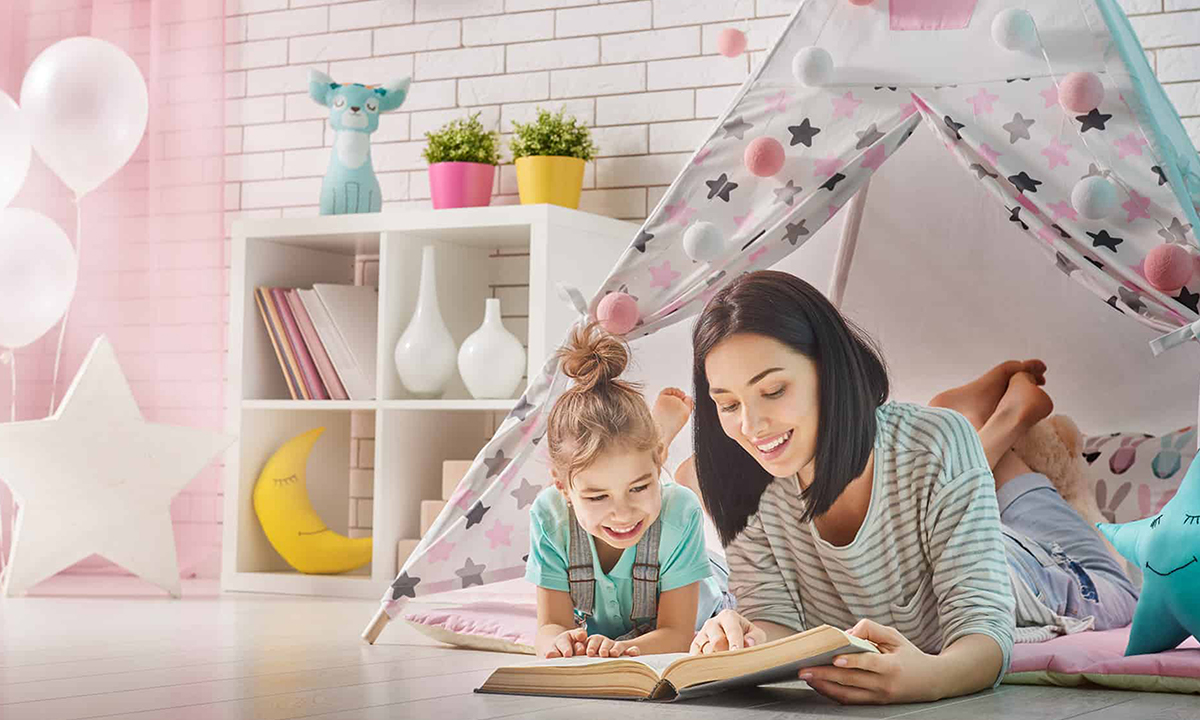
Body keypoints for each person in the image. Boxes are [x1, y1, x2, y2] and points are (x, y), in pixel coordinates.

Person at [684, 270, 1138, 704]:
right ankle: (978, 421)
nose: (751, 426)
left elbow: (982, 631)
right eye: (727, 404)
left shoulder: (936, 444)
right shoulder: (743, 484)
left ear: (831, 369)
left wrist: (931, 678)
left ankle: (1011, 417)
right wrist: (747, 637)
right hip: (943, 513)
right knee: (948, 454)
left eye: (774, 390)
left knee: (1121, 593)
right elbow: (777, 620)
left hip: (1034, 571)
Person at [525, 323, 730, 660]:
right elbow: (550, 626)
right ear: (562, 487)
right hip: (647, 487)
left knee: (681, 507)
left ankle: (678, 468)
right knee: (633, 475)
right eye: (597, 496)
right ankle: (656, 447)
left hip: (709, 597)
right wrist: (557, 644)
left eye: (639, 487)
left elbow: (677, 634)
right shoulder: (550, 517)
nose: (622, 513)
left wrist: (618, 650)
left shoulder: (680, 513)